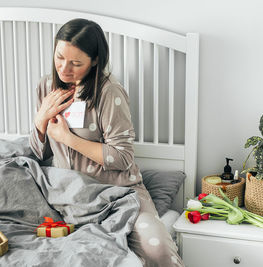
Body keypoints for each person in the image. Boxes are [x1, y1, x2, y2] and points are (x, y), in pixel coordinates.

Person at [29, 18, 184, 267]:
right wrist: (40, 121)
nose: (64, 69)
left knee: (159, 251)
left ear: (95, 61)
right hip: (69, 193)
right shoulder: (46, 87)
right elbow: (38, 153)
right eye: (59, 57)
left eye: (76, 63)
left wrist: (68, 138)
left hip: (119, 192)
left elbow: (122, 158)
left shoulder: (109, 92)